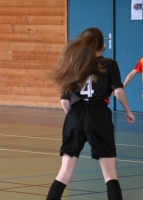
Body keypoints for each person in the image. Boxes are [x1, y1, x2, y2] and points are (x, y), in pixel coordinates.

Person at [46, 27, 135, 200]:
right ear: (102, 45)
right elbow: (119, 91)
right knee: (110, 174)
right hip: (99, 114)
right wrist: (128, 111)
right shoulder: (109, 64)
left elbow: (64, 101)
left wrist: (74, 118)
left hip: (75, 115)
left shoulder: (73, 65)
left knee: (63, 173)